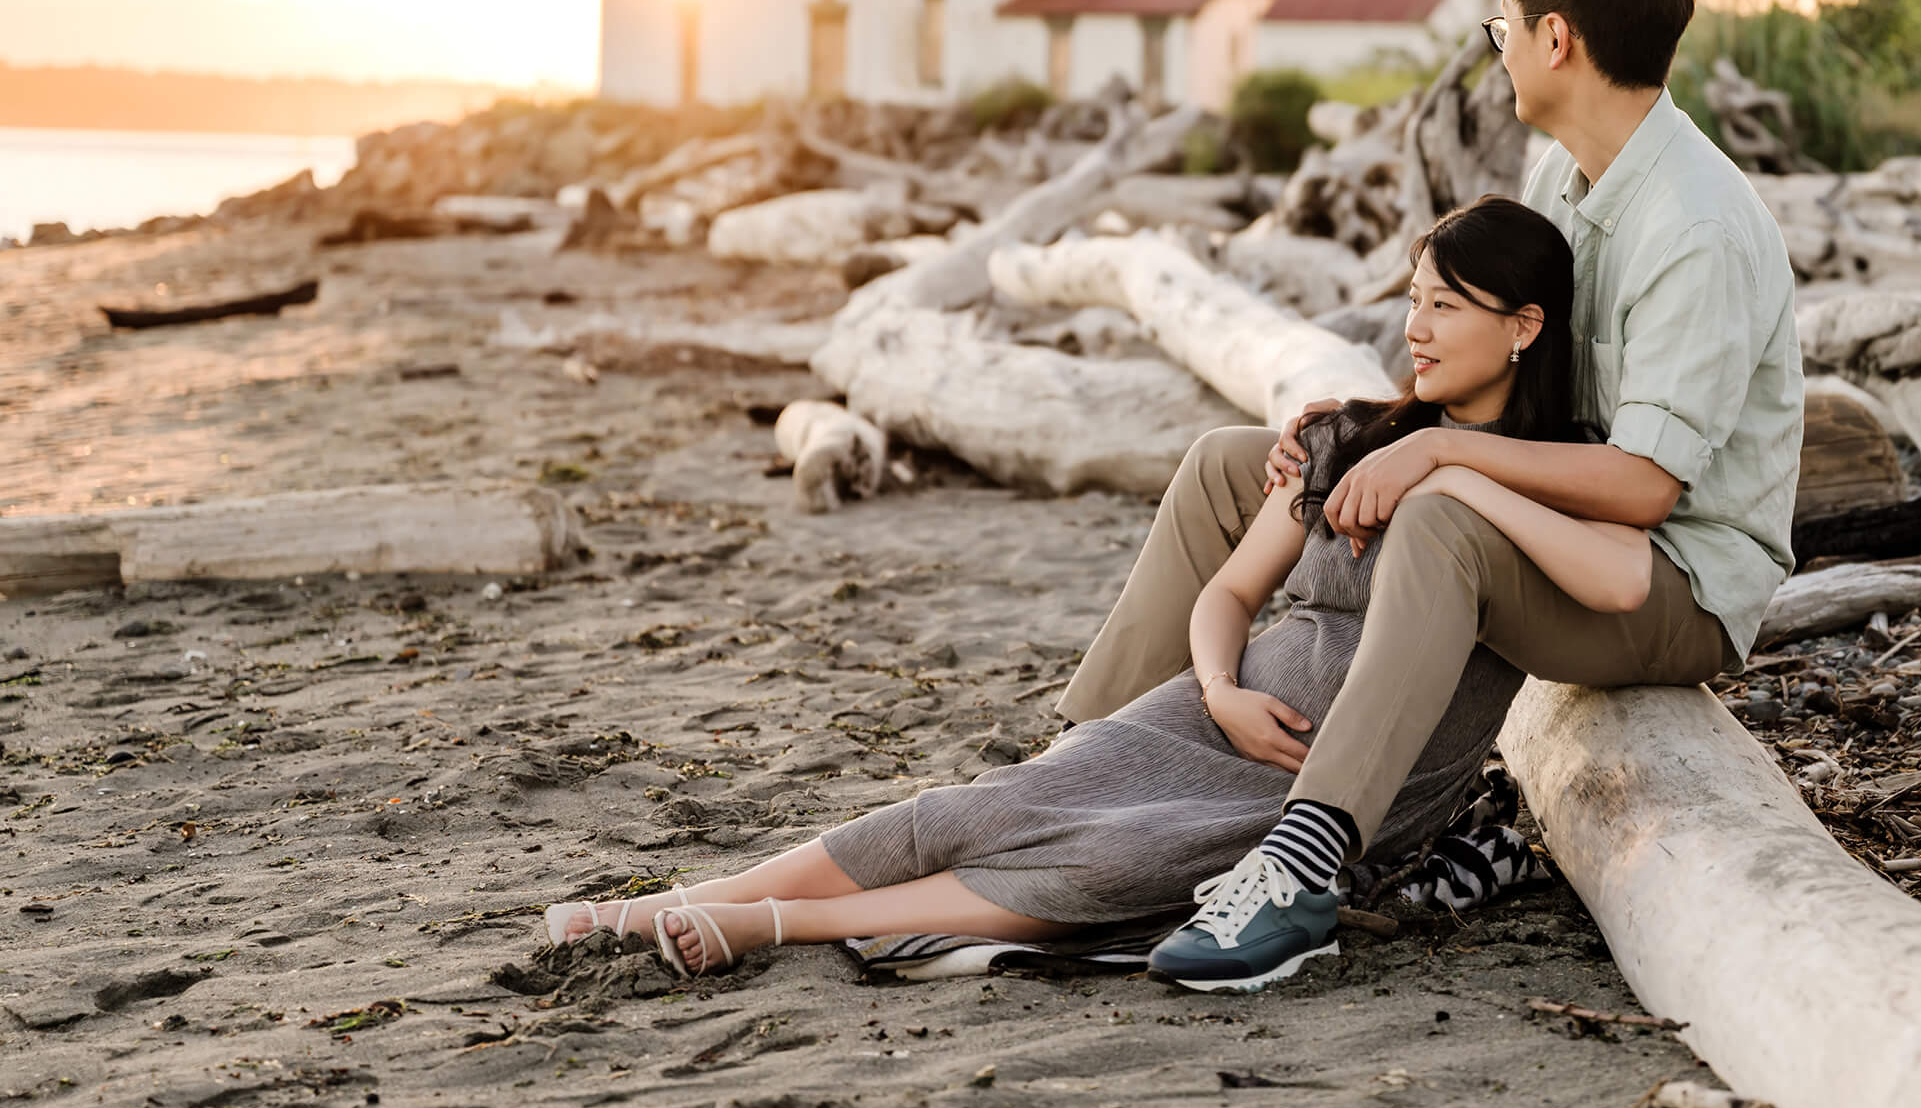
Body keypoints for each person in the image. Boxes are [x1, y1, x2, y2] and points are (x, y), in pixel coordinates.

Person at [538, 198, 1652, 986]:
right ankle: (692, 897)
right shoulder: (1346, 440)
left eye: (1447, 307)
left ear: (1524, 328)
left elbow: (1618, 575)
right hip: (1232, 712)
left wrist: (1453, 464)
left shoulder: (1529, 488)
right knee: (976, 809)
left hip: (1347, 784)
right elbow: (1228, 594)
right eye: (1411, 299)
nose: (1414, 328)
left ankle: (775, 925)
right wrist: (1216, 687)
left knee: (1109, 862)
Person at [1090, 0, 1804, 990]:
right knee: (1231, 465)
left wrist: (1434, 458)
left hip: (1664, 584)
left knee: (1439, 519)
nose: (1498, 49)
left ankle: (1303, 865)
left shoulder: (1694, 226)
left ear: (1555, 38)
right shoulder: (1561, 174)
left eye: (1502, 26)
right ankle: (1086, 750)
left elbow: (1645, 488)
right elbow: (1488, 368)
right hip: (1553, 512)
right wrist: (1371, 434)